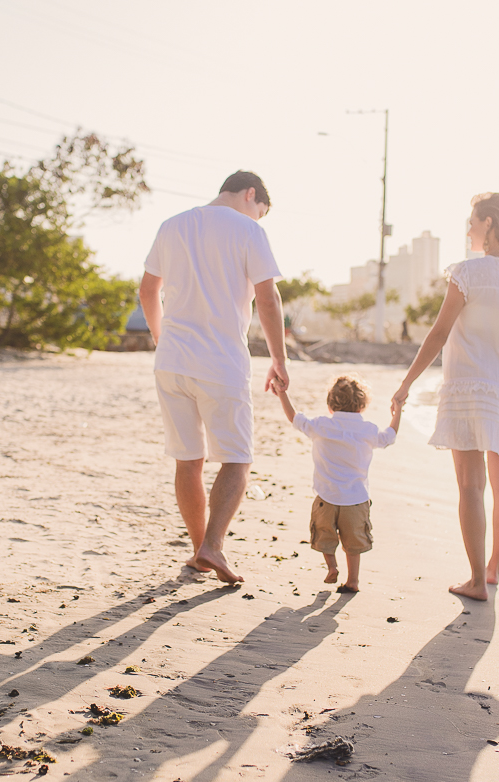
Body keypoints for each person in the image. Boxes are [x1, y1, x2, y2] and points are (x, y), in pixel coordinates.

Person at [390, 192, 499, 601]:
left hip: (467, 389)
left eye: (472, 221)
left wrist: (407, 383)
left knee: (470, 487)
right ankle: (493, 567)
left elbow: (440, 332)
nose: (468, 229)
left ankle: (476, 581)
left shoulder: (467, 272)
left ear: (490, 224)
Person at [139, 171, 289, 584]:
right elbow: (268, 300)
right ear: (250, 194)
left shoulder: (172, 225)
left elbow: (148, 290)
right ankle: (213, 546)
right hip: (220, 363)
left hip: (171, 361)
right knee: (238, 459)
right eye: (260, 212)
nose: (258, 219)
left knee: (188, 459)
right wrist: (279, 358)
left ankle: (198, 548)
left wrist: (160, 336)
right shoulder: (248, 230)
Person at [275, 375, 400, 593]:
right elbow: (389, 437)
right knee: (353, 544)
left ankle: (332, 567)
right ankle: (353, 580)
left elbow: (295, 418)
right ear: (361, 406)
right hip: (356, 499)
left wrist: (282, 393)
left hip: (326, 497)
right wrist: (398, 412)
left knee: (325, 537)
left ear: (331, 404)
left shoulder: (321, 425)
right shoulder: (368, 430)